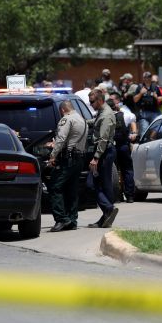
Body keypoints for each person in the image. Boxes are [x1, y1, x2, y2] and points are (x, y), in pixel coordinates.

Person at [47, 100, 87, 232]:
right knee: (72, 190)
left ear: (63, 110)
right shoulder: (82, 119)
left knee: (54, 186)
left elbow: (61, 139)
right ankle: (72, 220)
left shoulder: (66, 119)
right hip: (79, 158)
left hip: (68, 159)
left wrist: (53, 155)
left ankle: (61, 219)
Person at [87, 88, 118, 228]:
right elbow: (96, 121)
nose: (91, 104)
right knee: (102, 185)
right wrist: (86, 122)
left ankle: (108, 209)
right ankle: (106, 215)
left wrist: (96, 157)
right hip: (104, 152)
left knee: (93, 184)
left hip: (104, 152)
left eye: (92, 102)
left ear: (100, 100)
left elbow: (103, 139)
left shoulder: (106, 115)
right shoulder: (102, 112)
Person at [106, 98, 135, 203]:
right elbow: (133, 118)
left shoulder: (105, 116)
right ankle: (130, 195)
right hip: (123, 146)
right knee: (127, 170)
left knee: (112, 171)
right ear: (115, 106)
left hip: (110, 147)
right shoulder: (125, 115)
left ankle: (116, 196)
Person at [133, 71, 162, 137]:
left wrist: (156, 97)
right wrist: (141, 93)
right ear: (143, 78)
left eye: (148, 77)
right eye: (145, 77)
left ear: (151, 78)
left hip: (154, 111)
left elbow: (161, 98)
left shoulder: (155, 87)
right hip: (143, 113)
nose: (147, 79)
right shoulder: (140, 86)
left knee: (158, 128)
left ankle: (151, 138)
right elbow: (135, 100)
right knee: (143, 130)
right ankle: (144, 143)